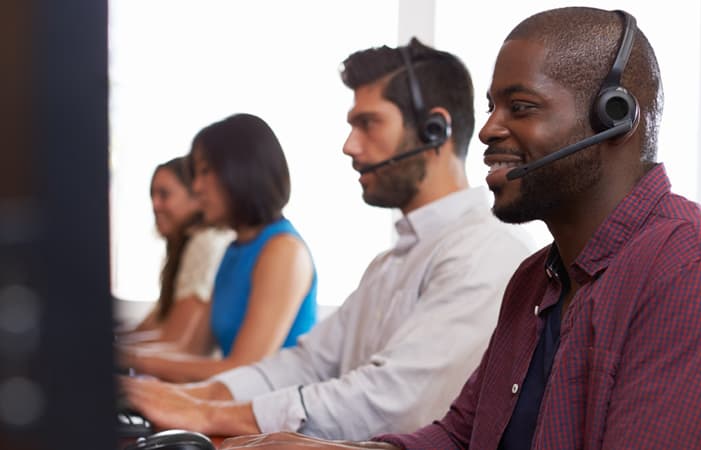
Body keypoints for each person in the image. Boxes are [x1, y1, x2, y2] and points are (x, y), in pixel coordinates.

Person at [217, 7, 701, 450]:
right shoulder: (534, 282)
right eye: (492, 106)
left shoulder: (700, 279)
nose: (489, 129)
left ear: (614, 118)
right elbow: (461, 439)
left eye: (520, 106)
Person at [120, 38, 532, 440]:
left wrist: (204, 412)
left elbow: (391, 402)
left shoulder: (482, 255)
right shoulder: (389, 263)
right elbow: (306, 364)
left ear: (433, 130)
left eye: (367, 123)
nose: (349, 145)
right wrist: (182, 398)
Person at [119, 113, 318, 383]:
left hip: (276, 414)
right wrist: (121, 353)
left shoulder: (283, 250)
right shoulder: (234, 249)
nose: (197, 187)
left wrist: (129, 358)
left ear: (242, 170)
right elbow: (190, 349)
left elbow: (245, 369)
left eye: (204, 172)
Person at [116, 156, 234, 355]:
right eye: (152, 195)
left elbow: (173, 339)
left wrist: (113, 352)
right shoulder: (181, 247)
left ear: (195, 198)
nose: (155, 204)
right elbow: (154, 323)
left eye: (164, 195)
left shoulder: (204, 243)